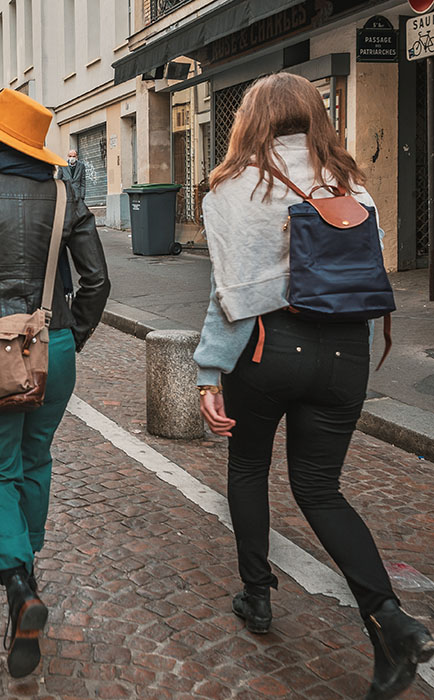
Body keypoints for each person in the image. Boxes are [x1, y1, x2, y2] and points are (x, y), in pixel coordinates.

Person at [194, 72, 433, 700]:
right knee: (321, 489)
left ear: (250, 120)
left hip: (271, 347)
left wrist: (208, 372)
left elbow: (229, 299)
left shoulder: (230, 189)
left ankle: (257, 597)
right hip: (347, 353)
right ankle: (389, 618)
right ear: (314, 116)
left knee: (248, 467)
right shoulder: (353, 187)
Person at [0, 89, 110, 679]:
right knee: (36, 459)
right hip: (53, 349)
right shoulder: (65, 194)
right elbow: (98, 282)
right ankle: (26, 560)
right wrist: (67, 340)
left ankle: (18, 583)